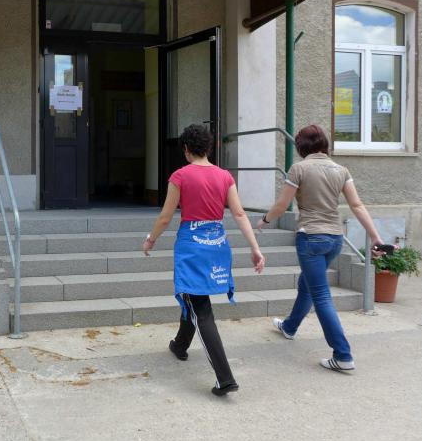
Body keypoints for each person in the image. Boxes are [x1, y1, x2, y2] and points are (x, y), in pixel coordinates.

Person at [143, 124, 265, 396]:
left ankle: (225, 378)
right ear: (209, 148)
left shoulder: (180, 176)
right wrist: (255, 248)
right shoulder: (225, 177)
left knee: (200, 307)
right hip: (217, 245)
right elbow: (240, 214)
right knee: (193, 296)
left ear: (186, 149)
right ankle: (180, 345)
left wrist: (151, 239)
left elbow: (165, 216)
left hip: (192, 248)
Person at [257, 124, 387, 372]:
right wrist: (376, 237)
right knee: (307, 284)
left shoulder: (299, 168)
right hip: (335, 239)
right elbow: (357, 205)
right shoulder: (341, 169)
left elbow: (282, 205)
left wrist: (264, 220)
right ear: (324, 144)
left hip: (311, 238)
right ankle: (289, 327)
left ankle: (343, 355)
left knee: (321, 296)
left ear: (301, 147)